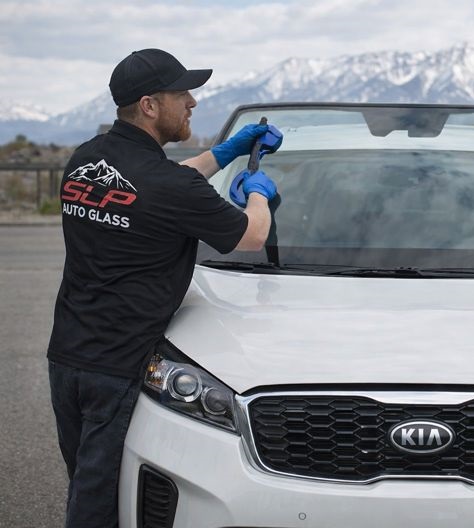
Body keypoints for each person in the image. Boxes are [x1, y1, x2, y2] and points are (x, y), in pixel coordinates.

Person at [47, 48, 281, 527]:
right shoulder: (168, 186)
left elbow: (157, 186)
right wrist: (259, 193)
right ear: (150, 105)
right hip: (118, 366)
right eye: (182, 95)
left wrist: (225, 153)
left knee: (85, 483)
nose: (192, 103)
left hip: (67, 357)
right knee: (99, 504)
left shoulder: (86, 159)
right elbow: (252, 236)